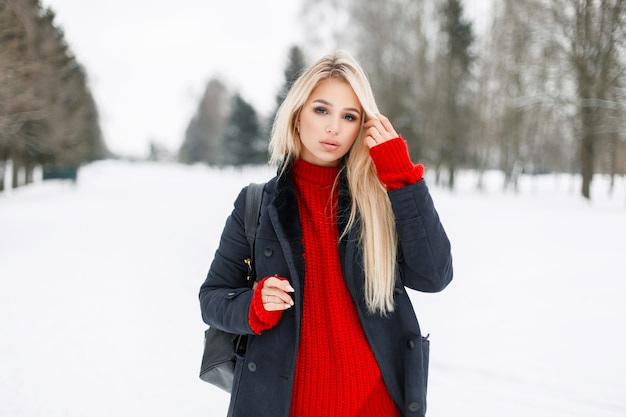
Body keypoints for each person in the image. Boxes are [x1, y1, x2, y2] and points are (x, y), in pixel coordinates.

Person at [199, 50, 453, 417]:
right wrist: (254, 305)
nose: (334, 127)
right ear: (297, 115)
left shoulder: (380, 203)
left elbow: (435, 275)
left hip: (377, 406)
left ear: (362, 127)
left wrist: (402, 179)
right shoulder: (256, 205)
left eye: (349, 116)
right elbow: (212, 298)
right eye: (322, 110)